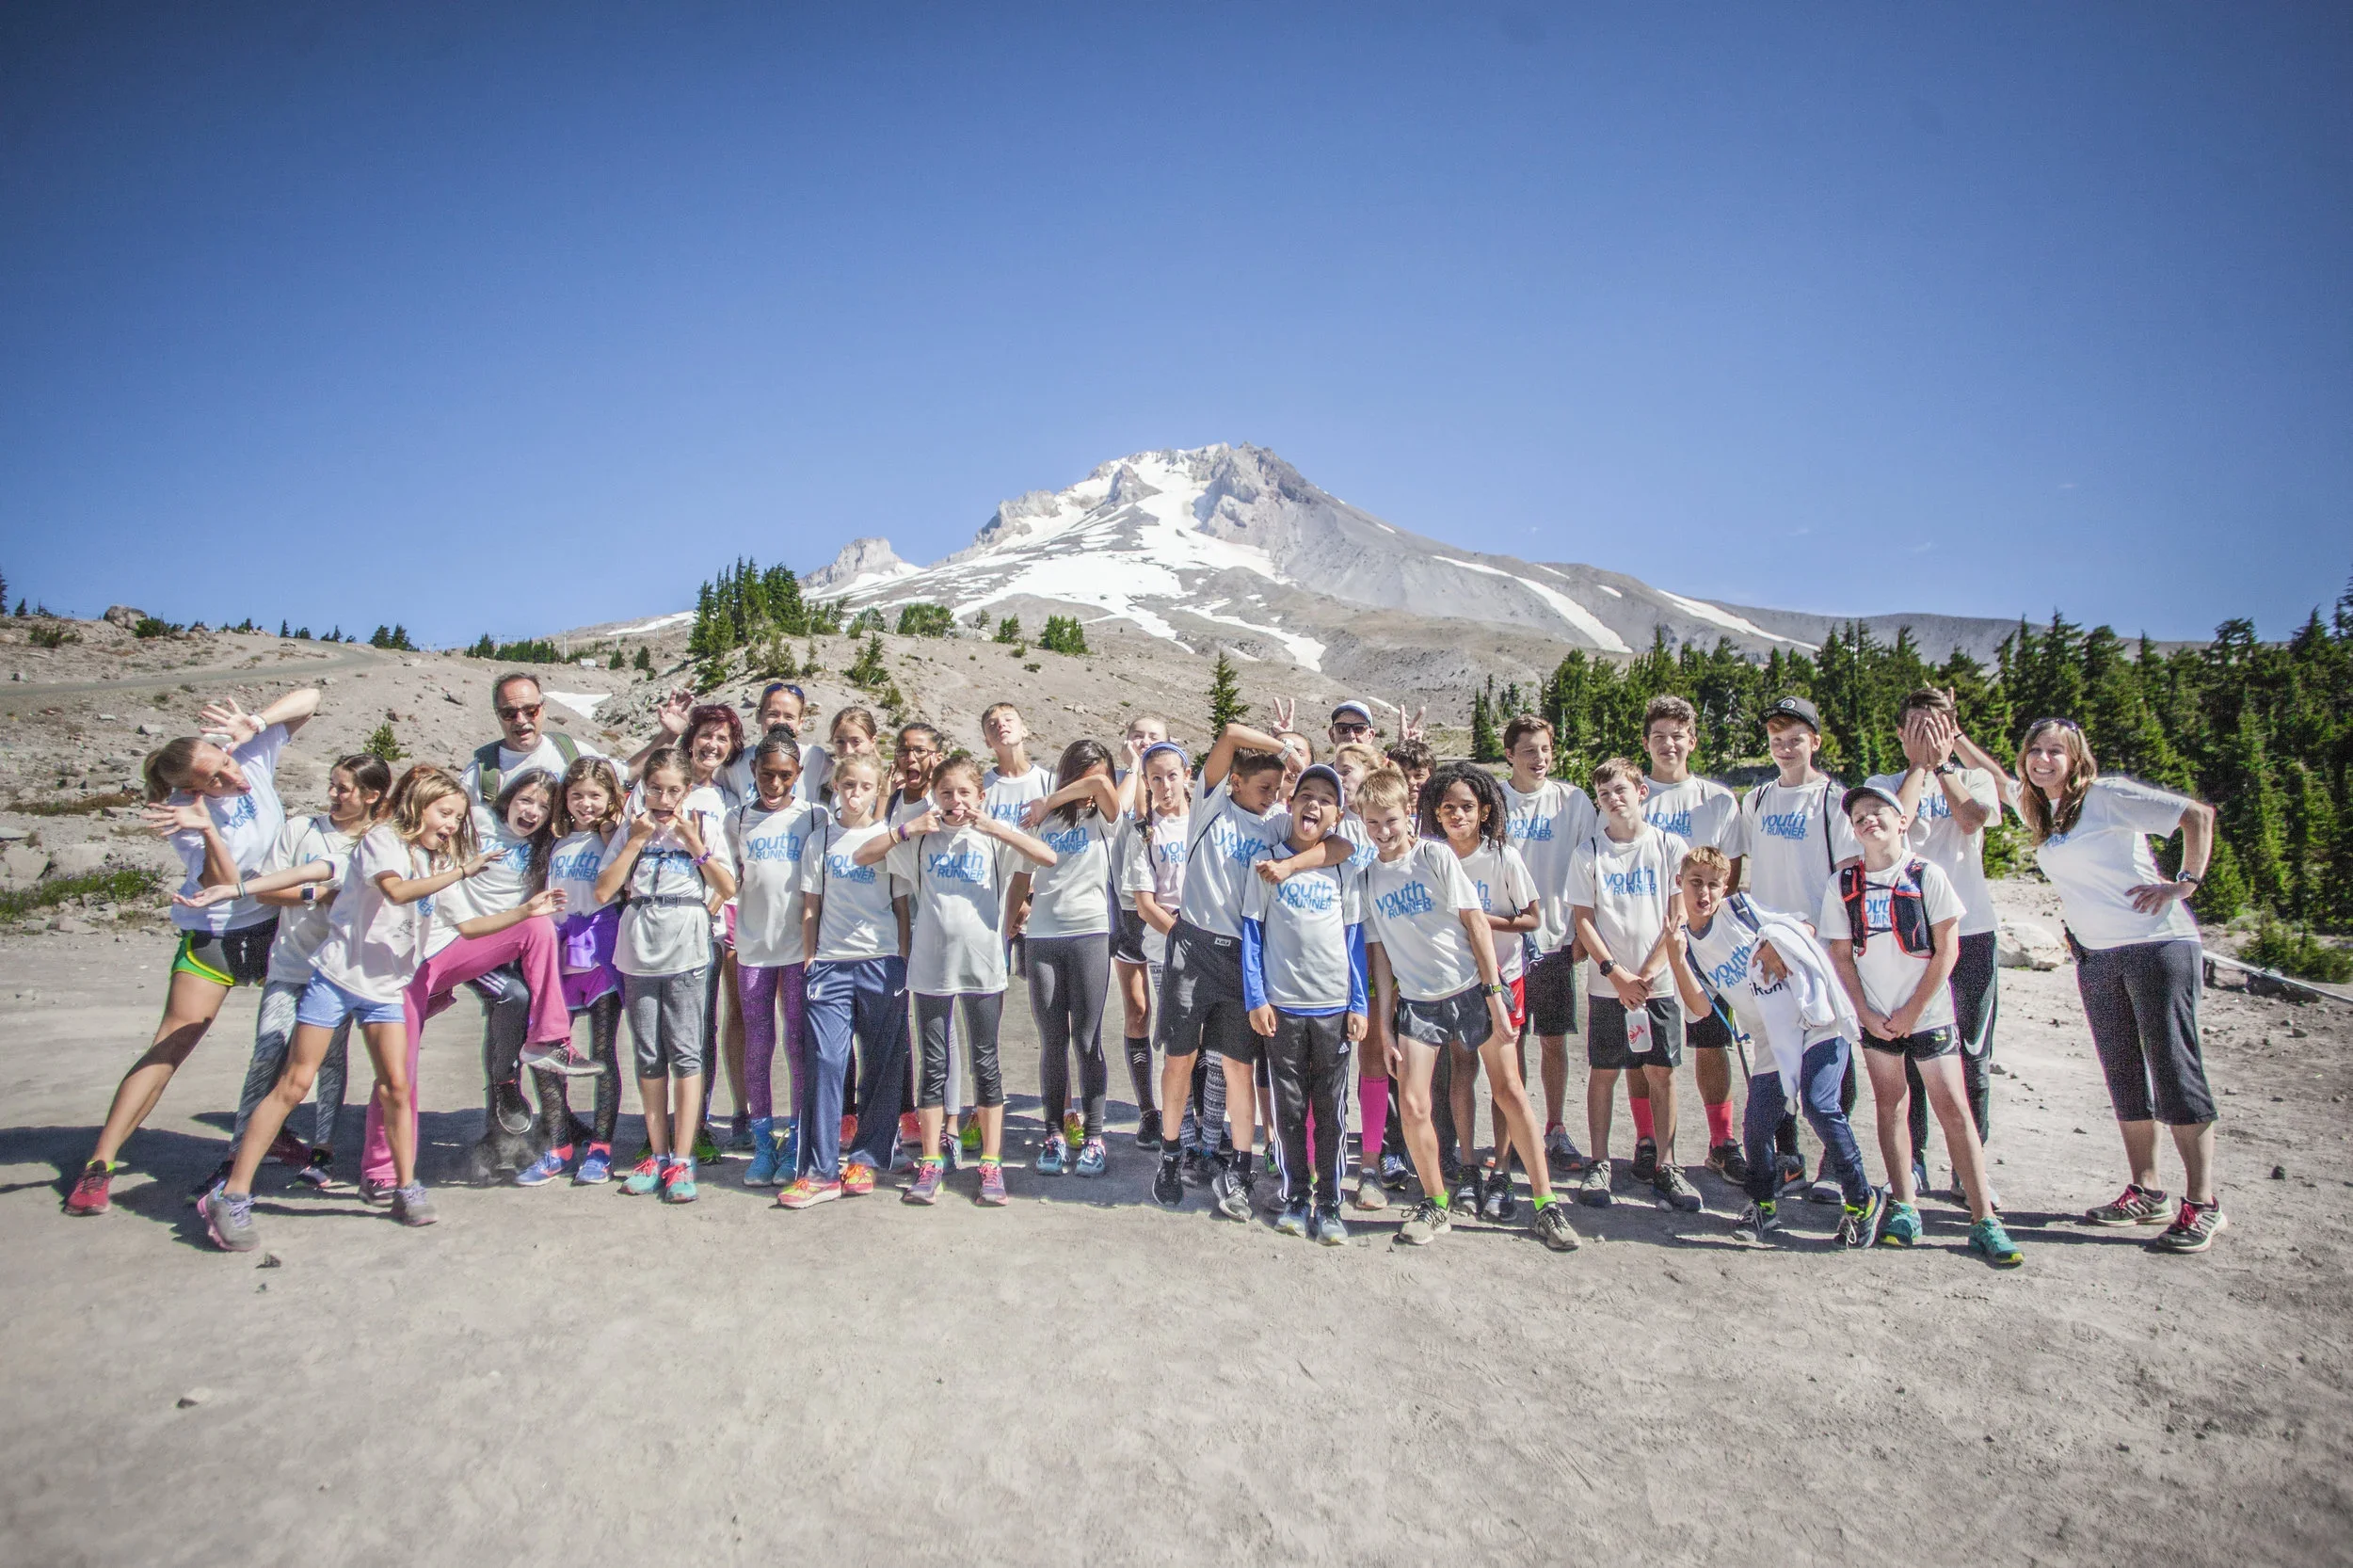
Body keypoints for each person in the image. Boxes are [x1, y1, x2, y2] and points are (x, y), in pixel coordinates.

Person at [195, 764, 498, 1248]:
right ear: (419, 806)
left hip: (383, 990)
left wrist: (530, 911)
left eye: (459, 818)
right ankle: (231, 1196)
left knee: (396, 1086)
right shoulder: (382, 841)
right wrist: (236, 889)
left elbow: (467, 926)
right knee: (295, 1082)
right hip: (335, 979)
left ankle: (405, 1186)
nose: (453, 826)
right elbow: (394, 889)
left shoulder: (437, 864)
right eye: (447, 813)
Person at [68, 685, 321, 1216]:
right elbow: (226, 884)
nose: (231, 776)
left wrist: (255, 720)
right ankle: (101, 1163)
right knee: (174, 1042)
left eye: (224, 763)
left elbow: (311, 697)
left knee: (289, 1035)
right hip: (221, 932)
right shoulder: (181, 817)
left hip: (278, 920)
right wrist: (207, 830)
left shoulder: (244, 753)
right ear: (191, 789)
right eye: (214, 779)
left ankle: (264, 1130)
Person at [2015, 718, 2225, 1254]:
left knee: (2174, 1068)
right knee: (2124, 1071)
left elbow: (2196, 815)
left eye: (2055, 751)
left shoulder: (2106, 796)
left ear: (2076, 758)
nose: (2043, 760)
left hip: (2156, 946)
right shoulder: (2049, 813)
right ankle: (2147, 1190)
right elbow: (1993, 781)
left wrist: (2185, 882)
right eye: (2034, 751)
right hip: (2097, 956)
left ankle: (2203, 1203)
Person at [1355, 767, 1578, 1252]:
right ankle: (1436, 1202)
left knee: (1510, 1091)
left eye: (1390, 820)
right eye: (1372, 824)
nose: (1383, 832)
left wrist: (1496, 994)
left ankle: (1546, 1204)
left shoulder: (1433, 855)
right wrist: (1387, 1031)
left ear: (1407, 815)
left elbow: (1475, 922)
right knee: (1414, 1105)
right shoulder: (1368, 877)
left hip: (1470, 991)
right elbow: (1380, 955)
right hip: (1418, 1003)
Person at [1147, 723, 1349, 1217]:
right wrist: (1285, 750)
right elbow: (1232, 734)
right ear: (1234, 782)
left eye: (1278, 791)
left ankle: (1239, 1165)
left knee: (1238, 1065)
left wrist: (1291, 865)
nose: (1273, 798)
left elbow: (1340, 846)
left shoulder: (1276, 824)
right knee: (1181, 1058)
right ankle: (1171, 1152)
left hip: (1240, 957)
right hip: (1193, 947)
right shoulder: (1210, 806)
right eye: (1265, 789)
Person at [1820, 784, 2022, 1265]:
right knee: (1891, 1106)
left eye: (1879, 812)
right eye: (1861, 816)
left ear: (1902, 821)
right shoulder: (1842, 885)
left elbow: (1947, 948)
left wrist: (1912, 1012)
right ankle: (1906, 1205)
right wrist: (1866, 1013)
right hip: (1876, 1014)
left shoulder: (1927, 874)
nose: (1870, 820)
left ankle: (1983, 1219)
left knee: (1954, 1109)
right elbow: (1841, 955)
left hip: (1926, 1013)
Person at [189, 753, 392, 1199]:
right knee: (268, 1052)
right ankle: (235, 1156)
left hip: (341, 970)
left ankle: (322, 1149)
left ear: (372, 796)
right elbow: (268, 889)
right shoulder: (302, 829)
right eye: (333, 786)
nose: (334, 795)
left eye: (345, 789)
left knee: (330, 1060)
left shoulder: (380, 841)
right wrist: (317, 894)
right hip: (291, 964)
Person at [858, 753, 1056, 1207]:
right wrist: (906, 828)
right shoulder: (923, 838)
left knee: (986, 1064)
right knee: (934, 1065)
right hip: (930, 967)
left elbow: (1045, 855)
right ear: (933, 795)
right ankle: (931, 1163)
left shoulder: (991, 839)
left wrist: (995, 826)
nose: (955, 801)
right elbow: (864, 854)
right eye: (946, 792)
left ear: (979, 796)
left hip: (983, 965)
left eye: (964, 792)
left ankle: (990, 1163)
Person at [1661, 846, 1881, 1248]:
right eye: (1696, 884)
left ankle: (1861, 1200)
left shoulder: (1741, 910)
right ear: (1679, 884)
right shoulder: (1686, 944)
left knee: (1818, 1104)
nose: (1704, 894)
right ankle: (1762, 1206)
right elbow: (1697, 1008)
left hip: (1814, 1020)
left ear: (1725, 887)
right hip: (1768, 1040)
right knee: (1757, 1127)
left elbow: (1806, 929)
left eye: (1713, 885)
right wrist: (1675, 958)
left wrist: (1776, 944)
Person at [1871, 689, 2004, 1204]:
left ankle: (1969, 1171)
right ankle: (1916, 1161)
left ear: (1954, 732)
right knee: (1910, 1049)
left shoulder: (1974, 778)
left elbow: (1972, 819)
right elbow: (1893, 832)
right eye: (1917, 727)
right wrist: (1920, 769)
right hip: (1906, 937)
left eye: (1938, 726)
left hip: (1969, 933)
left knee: (1971, 1051)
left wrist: (1944, 764)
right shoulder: (1888, 785)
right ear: (1901, 734)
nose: (1928, 735)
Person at [594, 746, 737, 1204]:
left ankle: (682, 1157)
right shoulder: (630, 830)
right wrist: (634, 840)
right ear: (643, 789)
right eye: (655, 788)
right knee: (649, 1053)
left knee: (687, 1051)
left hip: (688, 945)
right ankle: (655, 1154)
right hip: (638, 945)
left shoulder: (703, 826)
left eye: (674, 790)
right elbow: (602, 890)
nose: (664, 798)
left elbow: (728, 886)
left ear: (687, 791)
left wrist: (695, 845)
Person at [1735, 694, 1862, 1202]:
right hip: (1767, 947)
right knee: (1774, 1050)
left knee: (1830, 1051)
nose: (1785, 748)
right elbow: (1746, 865)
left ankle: (1835, 1163)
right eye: (1777, 740)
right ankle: (1788, 1157)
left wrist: (1825, 934)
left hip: (1818, 946)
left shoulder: (1835, 800)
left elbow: (1850, 876)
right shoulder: (1758, 800)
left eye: (1795, 740)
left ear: (1816, 741)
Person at [1566, 758, 1701, 1212]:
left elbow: (1676, 914)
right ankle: (1599, 1161)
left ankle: (1667, 1163)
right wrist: (1615, 974)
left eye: (1621, 790)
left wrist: (1649, 972)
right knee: (1604, 1073)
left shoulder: (1668, 846)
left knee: (1661, 1073)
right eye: (1604, 795)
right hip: (1609, 986)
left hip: (1658, 984)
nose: (1613, 800)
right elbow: (1583, 920)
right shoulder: (1588, 853)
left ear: (1641, 791)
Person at [1241, 764, 1365, 1245]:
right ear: (1289, 805)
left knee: (1330, 1110)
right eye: (1304, 795)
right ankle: (1296, 1196)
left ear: (1336, 814)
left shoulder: (1343, 867)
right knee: (1290, 1109)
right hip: (1283, 1008)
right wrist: (1257, 997)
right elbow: (1253, 933)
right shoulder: (1266, 861)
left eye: (1325, 799)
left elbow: (1354, 939)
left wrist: (1360, 1004)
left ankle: (1330, 1203)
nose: (1312, 805)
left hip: (1333, 1007)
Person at [791, 752, 911, 1207]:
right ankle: (819, 1170)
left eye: (864, 787)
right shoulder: (820, 840)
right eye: (848, 785)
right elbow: (810, 906)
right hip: (830, 965)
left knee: (881, 1063)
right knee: (826, 1062)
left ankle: (866, 1156)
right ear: (836, 787)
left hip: (881, 962)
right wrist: (810, 957)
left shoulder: (887, 839)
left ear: (877, 790)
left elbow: (901, 907)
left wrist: (900, 959)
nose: (854, 794)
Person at [1636, 695, 1747, 1183]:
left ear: (1692, 741)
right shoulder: (1632, 796)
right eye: (1658, 736)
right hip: (1641, 938)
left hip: (1706, 943)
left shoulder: (1718, 799)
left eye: (1677, 735)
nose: (1668, 744)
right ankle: (1647, 1139)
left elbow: (1732, 874)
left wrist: (1704, 925)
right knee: (1649, 1046)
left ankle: (1722, 1141)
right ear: (1646, 742)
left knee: (1710, 1040)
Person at [1425, 762, 1538, 1222]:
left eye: (1467, 807)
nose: (1457, 815)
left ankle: (1502, 1170)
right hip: (1457, 982)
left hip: (1504, 981)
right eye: (1448, 807)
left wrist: (1477, 918)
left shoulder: (1502, 856)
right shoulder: (1432, 857)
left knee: (1505, 1082)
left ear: (1485, 811)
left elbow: (1532, 918)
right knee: (1461, 1070)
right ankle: (1469, 1166)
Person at [512, 756, 630, 1187]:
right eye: (577, 795)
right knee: (545, 1050)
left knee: (602, 1052)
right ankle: (557, 1143)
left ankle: (600, 1149)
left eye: (595, 795)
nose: (586, 803)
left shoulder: (613, 838)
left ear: (610, 797)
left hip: (601, 948)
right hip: (558, 952)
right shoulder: (555, 842)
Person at [1496, 714, 1599, 1176]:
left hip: (1556, 941)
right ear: (1509, 755)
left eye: (1545, 749)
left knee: (1554, 1041)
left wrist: (1580, 932)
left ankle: (1556, 1127)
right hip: (1506, 943)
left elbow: (1591, 867)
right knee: (1510, 1040)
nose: (1539, 759)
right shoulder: (1494, 798)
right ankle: (1519, 1130)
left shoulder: (1572, 801)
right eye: (1529, 750)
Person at [1018, 740, 1123, 1176]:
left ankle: (1095, 1137)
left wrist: (1051, 799)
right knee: (1052, 1042)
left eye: (1092, 777)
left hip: (1089, 934)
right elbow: (1022, 874)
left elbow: (1100, 784)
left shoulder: (1105, 817)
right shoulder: (1043, 823)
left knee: (1086, 1039)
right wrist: (1010, 922)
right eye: (1076, 775)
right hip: (1042, 935)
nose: (1088, 786)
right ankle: (1054, 1135)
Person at [728, 733, 822, 1188]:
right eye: (767, 774)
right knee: (758, 1044)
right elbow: (729, 879)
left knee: (799, 1044)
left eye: (786, 775)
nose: (776, 782)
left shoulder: (812, 817)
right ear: (753, 771)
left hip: (798, 951)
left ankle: (799, 1139)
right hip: (753, 950)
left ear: (798, 775)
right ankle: (764, 1142)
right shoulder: (739, 819)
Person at [1122, 741, 1201, 1156]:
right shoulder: (1145, 831)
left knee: (1210, 1046)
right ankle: (1179, 1129)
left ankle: (1208, 1128)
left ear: (1187, 775)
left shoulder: (1203, 820)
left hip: (1211, 945)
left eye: (1173, 775)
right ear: (1147, 783)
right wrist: (1180, 935)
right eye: (1156, 778)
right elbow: (1145, 902)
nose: (1166, 785)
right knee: (1179, 1043)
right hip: (1167, 947)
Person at [1110, 715, 1171, 1148]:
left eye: (1154, 737)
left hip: (1167, 913)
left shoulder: (1174, 790)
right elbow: (1122, 815)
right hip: (1129, 913)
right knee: (1137, 1011)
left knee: (1179, 1015)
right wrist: (1134, 767)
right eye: (1137, 735)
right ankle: (1148, 1110)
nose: (1144, 742)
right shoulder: (1118, 783)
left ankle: (1187, 1107)